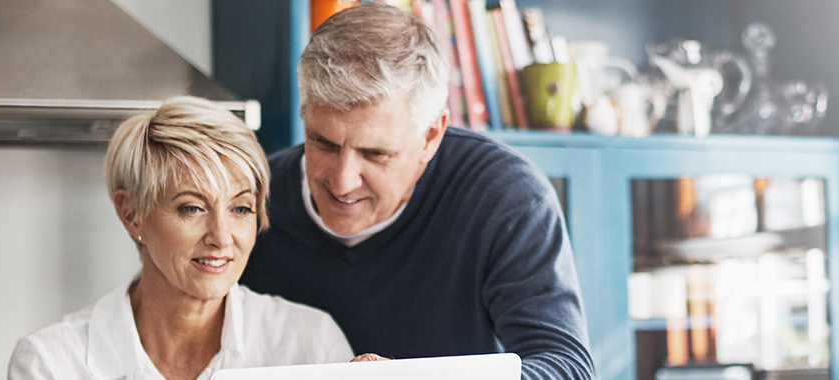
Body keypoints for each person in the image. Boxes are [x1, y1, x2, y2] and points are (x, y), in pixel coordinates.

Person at [236, 4, 593, 380]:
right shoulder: (249, 202)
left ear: (431, 135)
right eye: (323, 143)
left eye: (375, 154)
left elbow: (566, 368)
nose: (342, 181)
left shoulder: (504, 196)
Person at [8, 97, 357, 380]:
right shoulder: (51, 364)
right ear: (130, 213)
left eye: (240, 209)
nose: (221, 237)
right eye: (192, 208)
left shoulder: (311, 345)